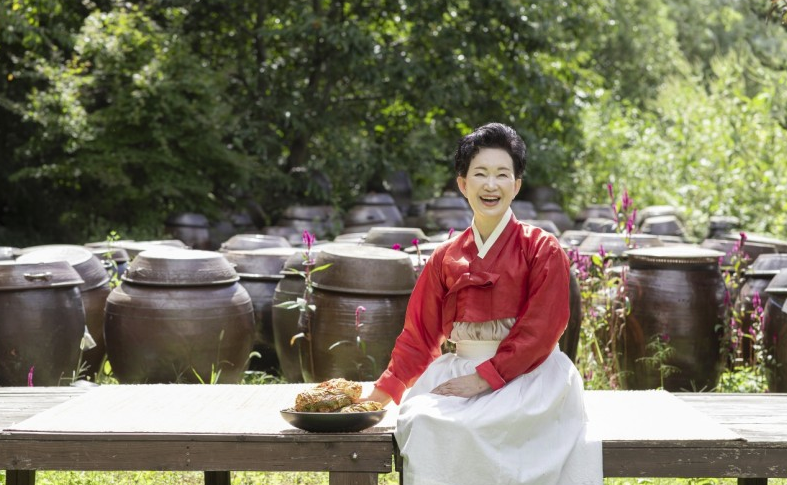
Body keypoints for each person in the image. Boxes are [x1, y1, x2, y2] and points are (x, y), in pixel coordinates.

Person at [362, 122, 602, 484]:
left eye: (502, 174)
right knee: (424, 421)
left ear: (516, 184)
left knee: (494, 433)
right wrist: (375, 400)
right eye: (481, 174)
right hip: (459, 371)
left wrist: (486, 379)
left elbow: (542, 330)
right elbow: (419, 335)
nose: (491, 185)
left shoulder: (542, 248)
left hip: (530, 377)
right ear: (463, 183)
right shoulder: (445, 257)